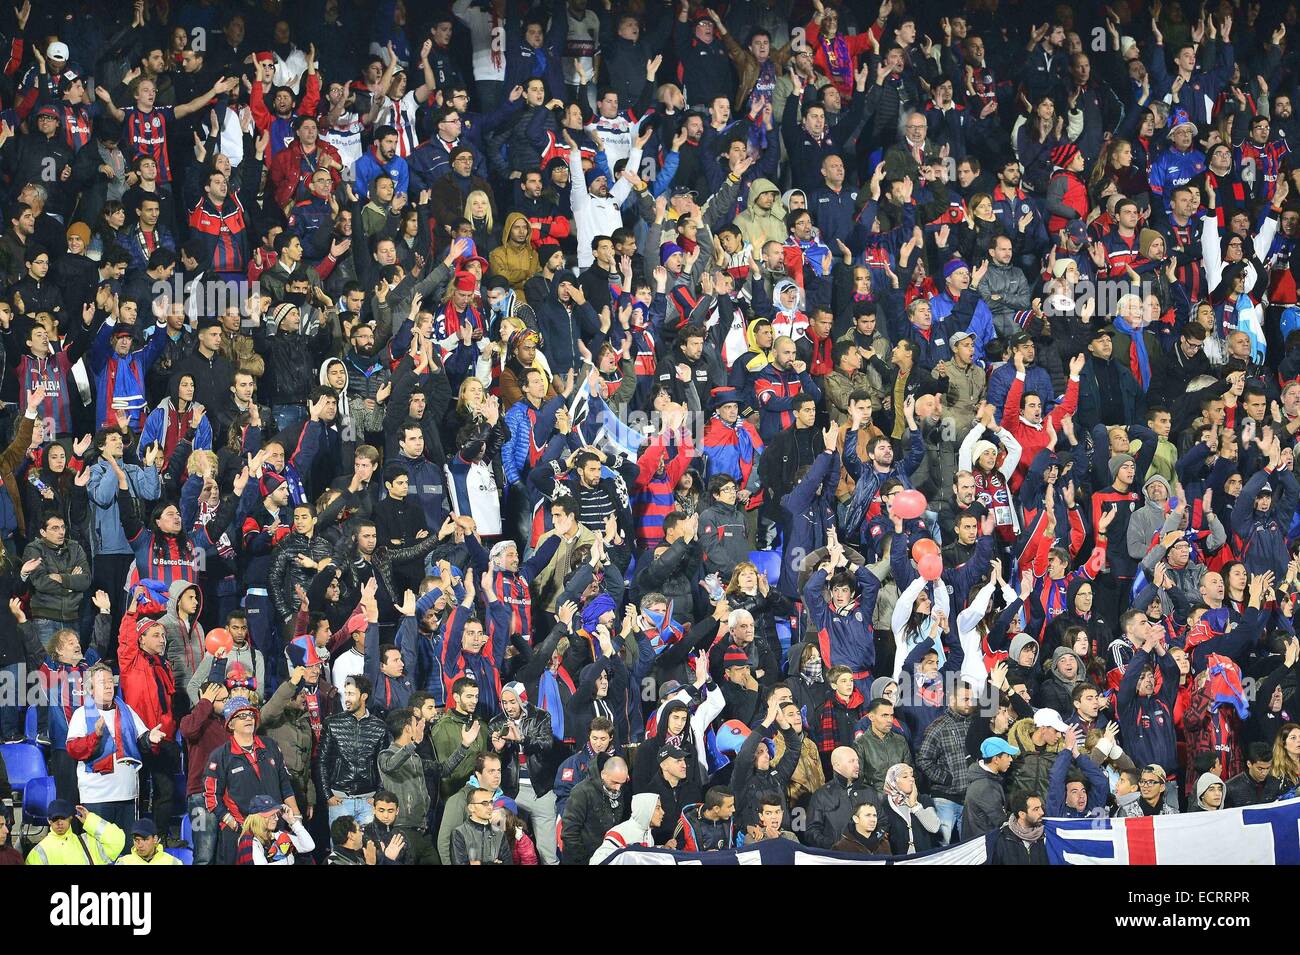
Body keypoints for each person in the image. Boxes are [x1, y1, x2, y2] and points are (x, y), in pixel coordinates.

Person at [25, 801, 125, 865]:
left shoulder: (87, 842)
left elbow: (117, 840)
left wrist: (90, 821)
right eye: (55, 819)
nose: (59, 823)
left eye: (63, 818)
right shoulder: (39, 851)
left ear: (70, 818)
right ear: (49, 821)